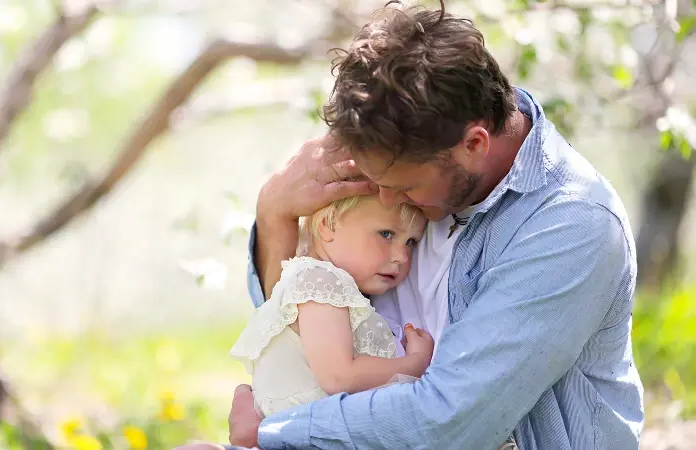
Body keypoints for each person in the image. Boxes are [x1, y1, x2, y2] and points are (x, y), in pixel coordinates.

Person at [221, 1, 644, 449]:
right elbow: (298, 326)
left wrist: (272, 433)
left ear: (474, 144)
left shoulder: (571, 226)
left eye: (403, 188)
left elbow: (448, 422)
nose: (383, 198)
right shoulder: (410, 165)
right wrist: (275, 216)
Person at [227, 195, 435, 417]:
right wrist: (414, 363)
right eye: (386, 234)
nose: (402, 256)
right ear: (328, 225)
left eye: (410, 242)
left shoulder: (332, 286)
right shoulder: (321, 280)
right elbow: (339, 377)